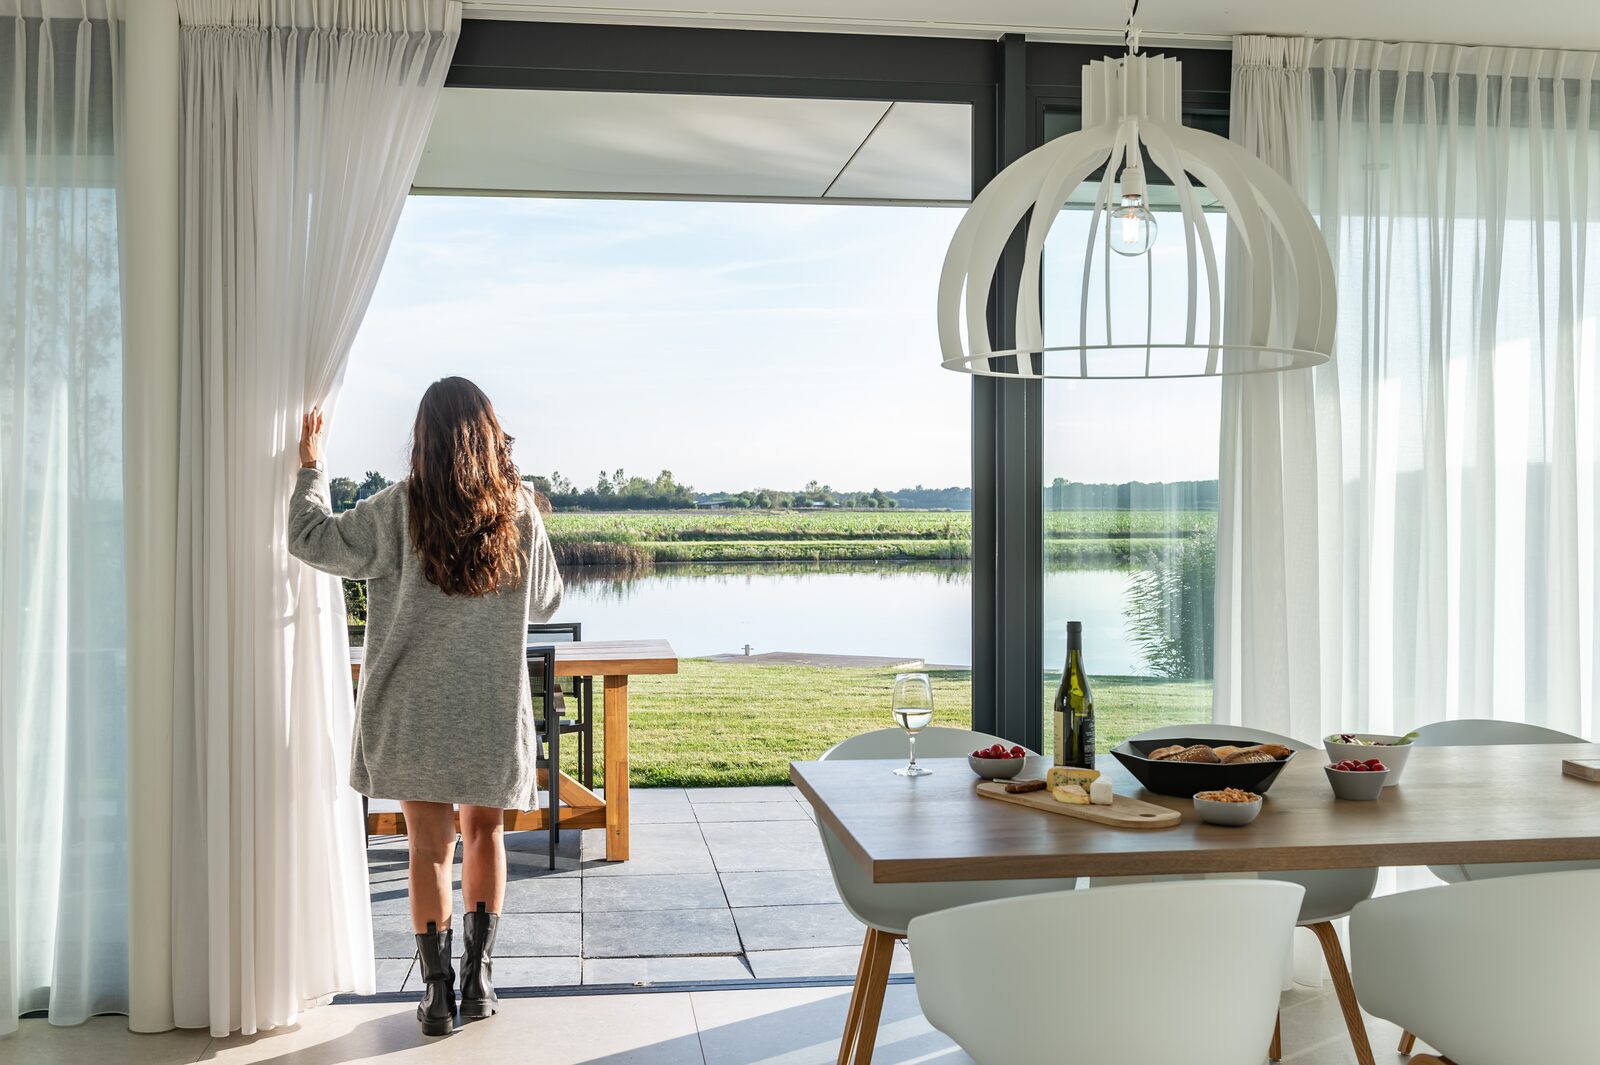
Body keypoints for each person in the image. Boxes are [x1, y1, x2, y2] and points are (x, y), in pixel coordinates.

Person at [289, 377, 562, 1037]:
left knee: (428, 849)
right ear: (489, 436)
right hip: (490, 711)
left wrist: (310, 469)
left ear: (423, 440)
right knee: (487, 835)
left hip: (409, 712)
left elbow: (310, 538)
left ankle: (437, 996)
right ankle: (481, 982)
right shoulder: (516, 510)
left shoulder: (393, 510)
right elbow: (547, 601)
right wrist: (525, 505)